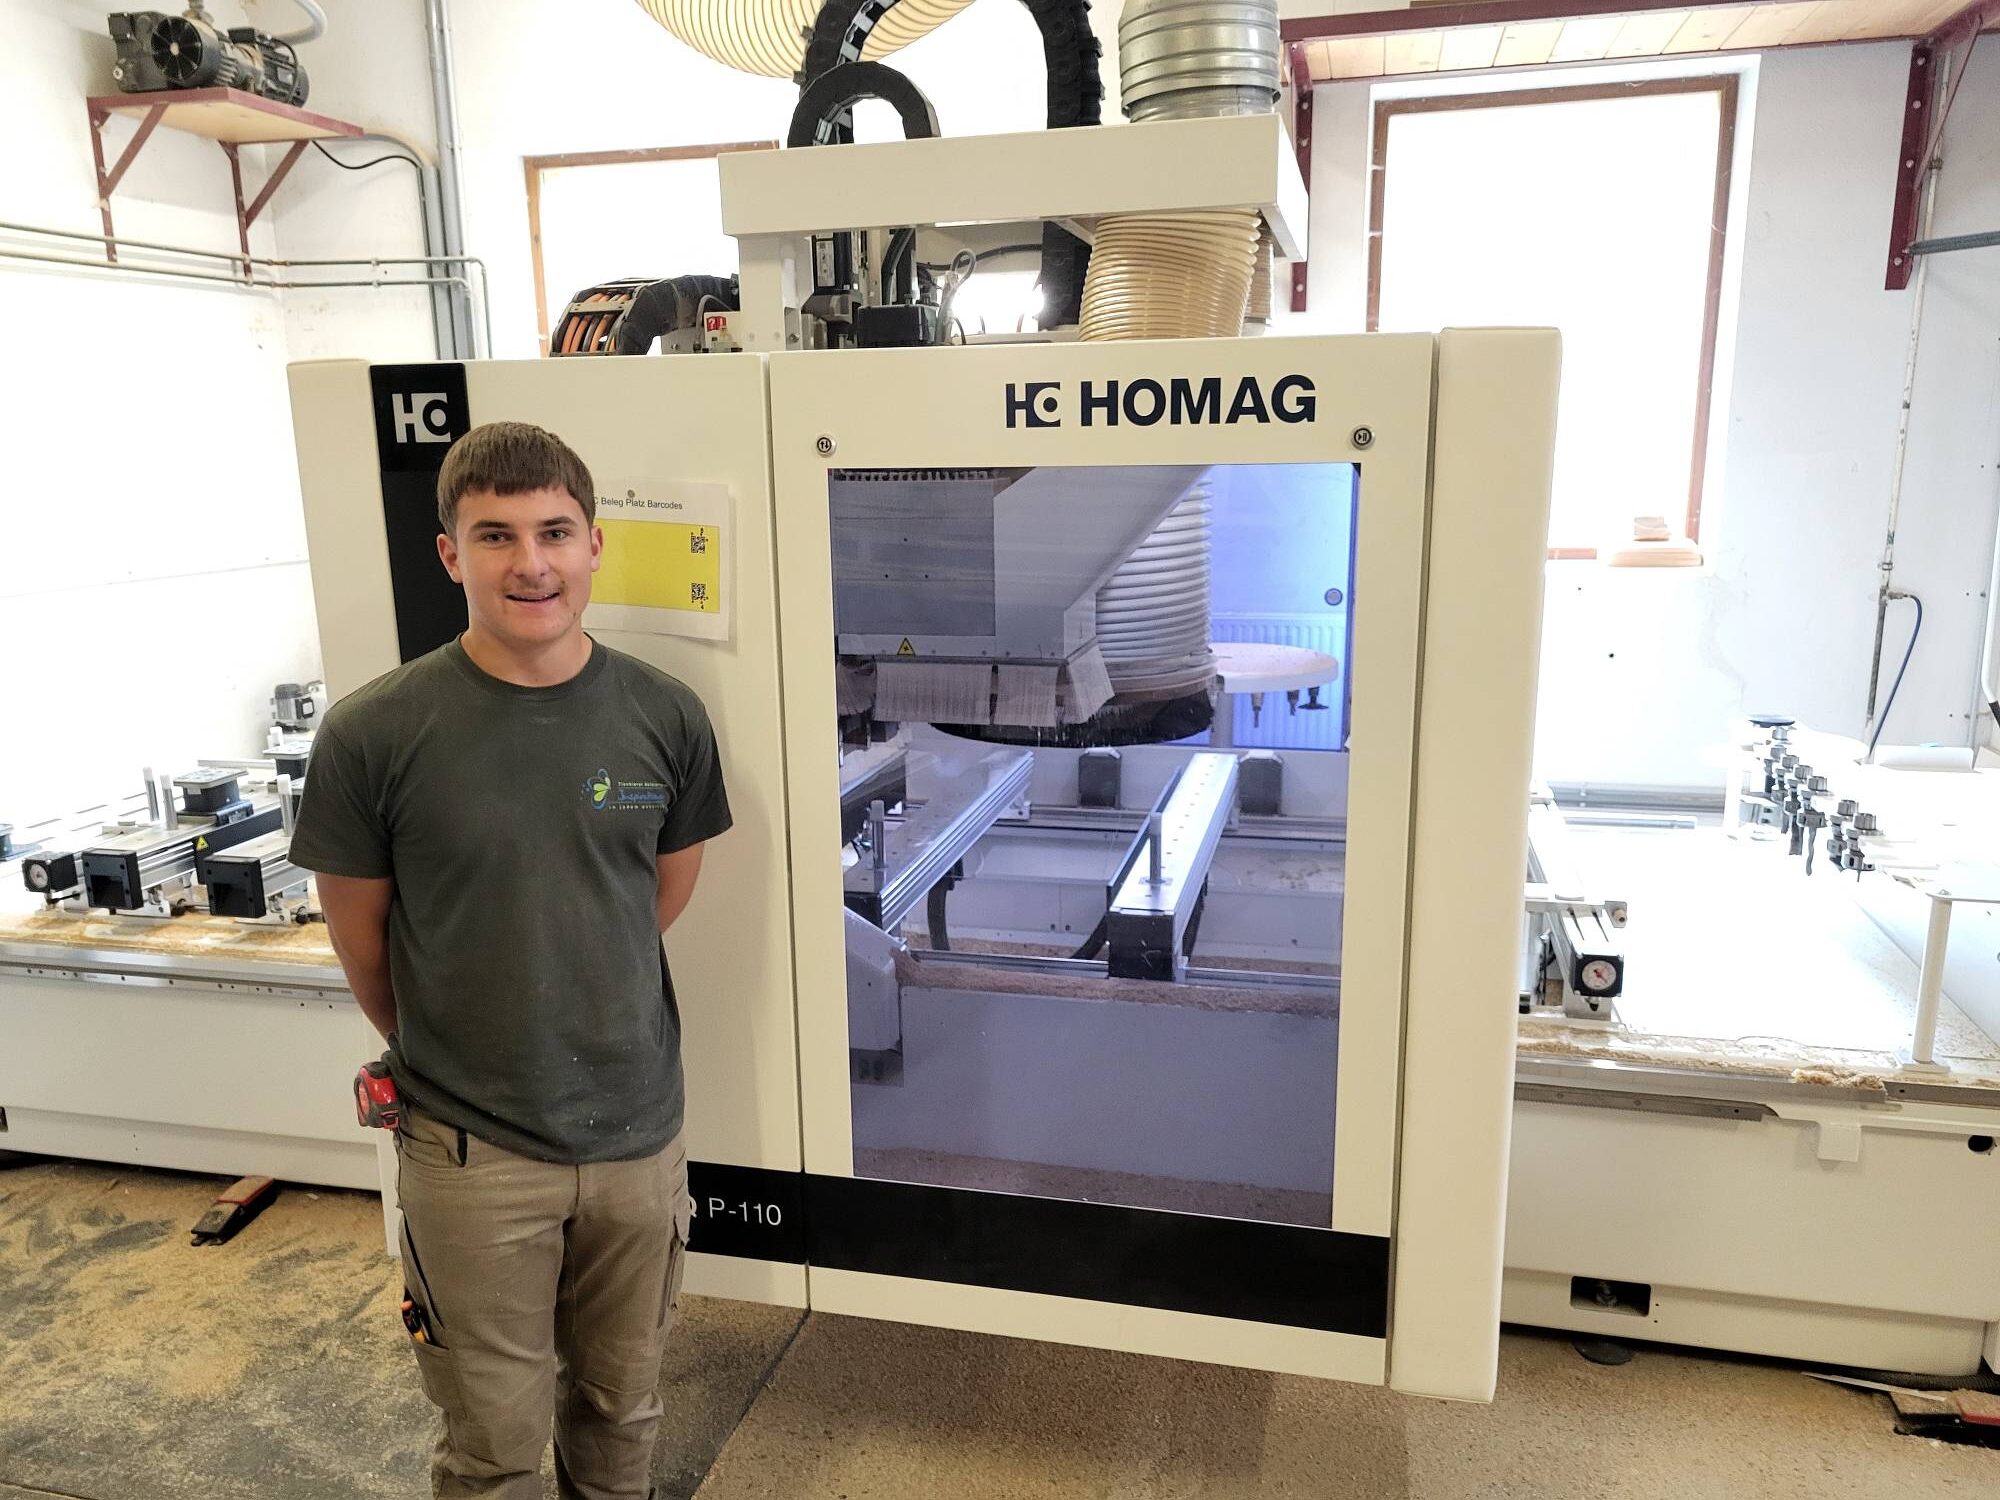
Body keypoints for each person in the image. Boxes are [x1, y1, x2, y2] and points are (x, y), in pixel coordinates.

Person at [290, 420, 731, 1500]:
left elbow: (659, 895)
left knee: (624, 1409)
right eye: (495, 536)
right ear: (451, 555)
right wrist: (463, 1035)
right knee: (492, 1445)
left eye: (553, 532)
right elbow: (362, 943)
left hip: (638, 1140)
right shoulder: (374, 734)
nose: (530, 563)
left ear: (594, 545)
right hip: (471, 1149)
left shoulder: (664, 714)